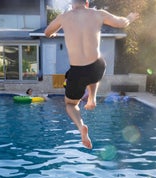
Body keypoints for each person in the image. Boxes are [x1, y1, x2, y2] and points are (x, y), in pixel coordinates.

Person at [44, 0, 139, 149]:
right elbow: (122, 22)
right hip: (96, 68)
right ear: (86, 3)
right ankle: (92, 98)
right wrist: (130, 18)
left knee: (70, 104)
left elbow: (47, 32)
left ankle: (81, 126)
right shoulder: (98, 14)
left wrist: (54, 32)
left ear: (72, 3)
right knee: (96, 61)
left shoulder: (64, 17)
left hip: (77, 72)